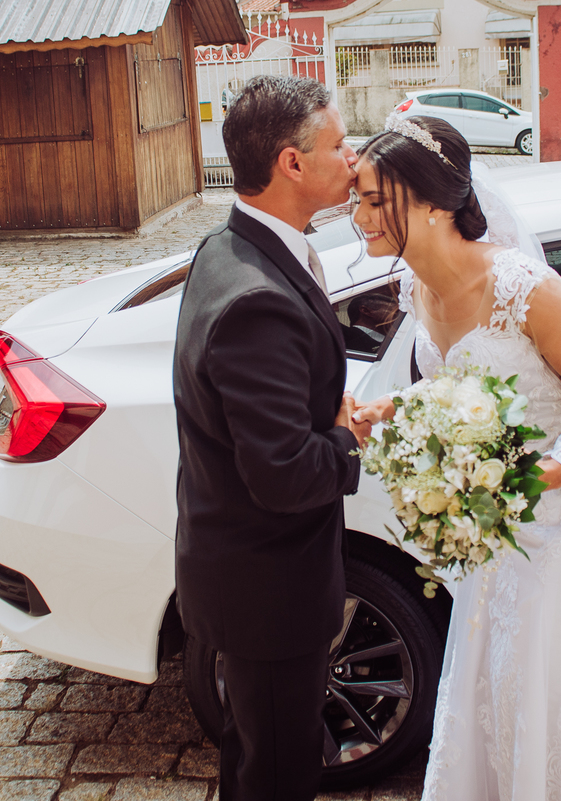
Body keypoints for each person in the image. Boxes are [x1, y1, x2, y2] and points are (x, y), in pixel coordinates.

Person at [351, 115, 561, 800]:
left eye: (376, 201)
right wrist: (396, 409)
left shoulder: (523, 286)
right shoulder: (418, 288)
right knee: (496, 669)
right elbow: (463, 389)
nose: (359, 216)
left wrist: (550, 471)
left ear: (433, 204)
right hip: (494, 515)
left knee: (553, 675)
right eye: (360, 199)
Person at [172, 74, 370, 801]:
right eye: (340, 145)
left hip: (242, 575)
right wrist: (346, 438)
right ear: (292, 162)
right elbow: (284, 473)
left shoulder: (225, 247)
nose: (353, 157)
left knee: (253, 756)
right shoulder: (256, 300)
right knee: (280, 772)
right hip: (270, 593)